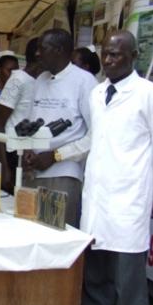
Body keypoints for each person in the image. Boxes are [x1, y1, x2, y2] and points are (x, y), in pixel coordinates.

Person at [81, 30, 153, 305]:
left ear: (133, 56)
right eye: (105, 53)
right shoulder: (96, 93)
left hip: (127, 204)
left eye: (116, 54)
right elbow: (96, 142)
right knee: (95, 282)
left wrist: (141, 190)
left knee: (128, 287)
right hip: (96, 203)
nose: (108, 59)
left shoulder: (150, 95)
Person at [23, 28, 97, 228]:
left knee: (54, 242)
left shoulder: (84, 81)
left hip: (62, 175)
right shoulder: (40, 80)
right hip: (32, 173)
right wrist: (27, 150)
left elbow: (97, 135)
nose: (37, 53)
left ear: (60, 50)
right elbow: (30, 123)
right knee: (29, 235)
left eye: (42, 48)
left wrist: (56, 155)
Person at [0, 38, 42, 193]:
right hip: (12, 154)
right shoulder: (18, 79)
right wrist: (5, 167)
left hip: (28, 154)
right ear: (38, 54)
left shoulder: (41, 81)